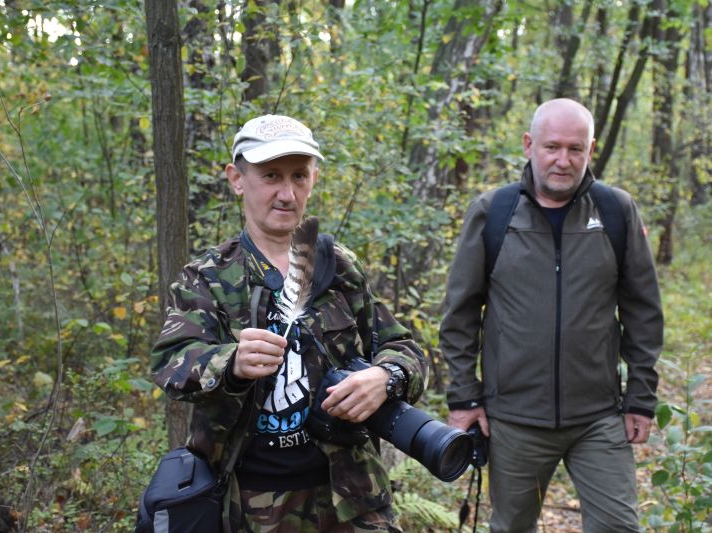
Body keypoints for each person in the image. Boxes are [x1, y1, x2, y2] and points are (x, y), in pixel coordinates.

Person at [151, 114, 427, 532]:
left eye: (299, 175)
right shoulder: (208, 277)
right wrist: (231, 363)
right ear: (237, 179)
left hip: (352, 500)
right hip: (250, 505)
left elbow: (404, 348)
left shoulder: (338, 267)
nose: (287, 193)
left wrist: (386, 377)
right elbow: (171, 362)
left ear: (314, 178)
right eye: (271, 176)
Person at [439, 98, 663, 532]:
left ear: (590, 150)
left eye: (575, 149)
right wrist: (464, 398)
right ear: (529, 145)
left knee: (618, 527)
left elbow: (643, 312)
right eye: (552, 147)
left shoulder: (615, 210)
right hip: (513, 419)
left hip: (599, 416)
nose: (563, 160)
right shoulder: (494, 212)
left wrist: (640, 396)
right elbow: (460, 314)